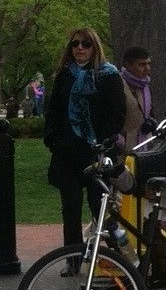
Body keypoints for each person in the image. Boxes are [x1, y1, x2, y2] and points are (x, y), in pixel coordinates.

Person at [43, 27, 126, 259]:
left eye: (86, 44)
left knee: (100, 209)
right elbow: (53, 111)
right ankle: (72, 259)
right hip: (66, 152)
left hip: (95, 153)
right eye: (76, 44)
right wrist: (52, 139)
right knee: (70, 210)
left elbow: (117, 114)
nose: (80, 48)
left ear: (94, 47)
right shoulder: (64, 75)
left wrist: (105, 142)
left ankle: (118, 259)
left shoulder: (108, 75)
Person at [119, 46, 153, 146]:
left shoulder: (145, 86)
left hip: (144, 144)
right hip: (123, 148)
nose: (147, 69)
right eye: (142, 64)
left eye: (148, 64)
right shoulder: (118, 85)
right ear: (128, 65)